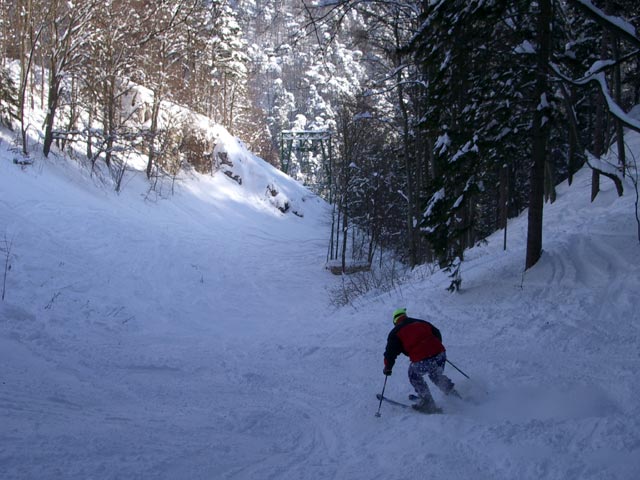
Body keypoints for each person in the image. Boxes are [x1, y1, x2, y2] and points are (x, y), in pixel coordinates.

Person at [383, 308, 460, 413]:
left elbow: (390, 353)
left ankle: (427, 402)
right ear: (405, 316)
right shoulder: (420, 322)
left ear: (395, 321)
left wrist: (388, 368)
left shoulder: (395, 332)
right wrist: (435, 348)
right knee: (435, 374)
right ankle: (452, 393)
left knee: (413, 375)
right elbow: (436, 332)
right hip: (440, 354)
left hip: (423, 359)